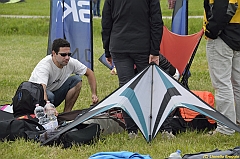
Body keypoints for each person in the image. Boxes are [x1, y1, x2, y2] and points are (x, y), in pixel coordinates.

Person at [101, 0, 164, 138]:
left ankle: (132, 130)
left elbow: (106, 21)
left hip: (119, 45)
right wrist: (155, 50)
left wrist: (107, 50)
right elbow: (157, 21)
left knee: (126, 88)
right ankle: (159, 127)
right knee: (150, 87)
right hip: (143, 46)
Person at [29, 38, 98, 113]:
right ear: (54, 53)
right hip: (36, 99)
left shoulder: (71, 62)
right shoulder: (44, 66)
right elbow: (42, 90)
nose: (67, 57)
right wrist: (48, 105)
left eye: (69, 54)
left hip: (53, 94)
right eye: (63, 55)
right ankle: (47, 118)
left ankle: (66, 114)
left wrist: (94, 94)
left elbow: (89, 73)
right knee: (50, 95)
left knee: (76, 80)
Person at [204, 0, 240, 135]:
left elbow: (225, 6)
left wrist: (211, 31)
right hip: (237, 32)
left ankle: (226, 128)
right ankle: (237, 122)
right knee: (238, 84)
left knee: (222, 84)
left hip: (222, 36)